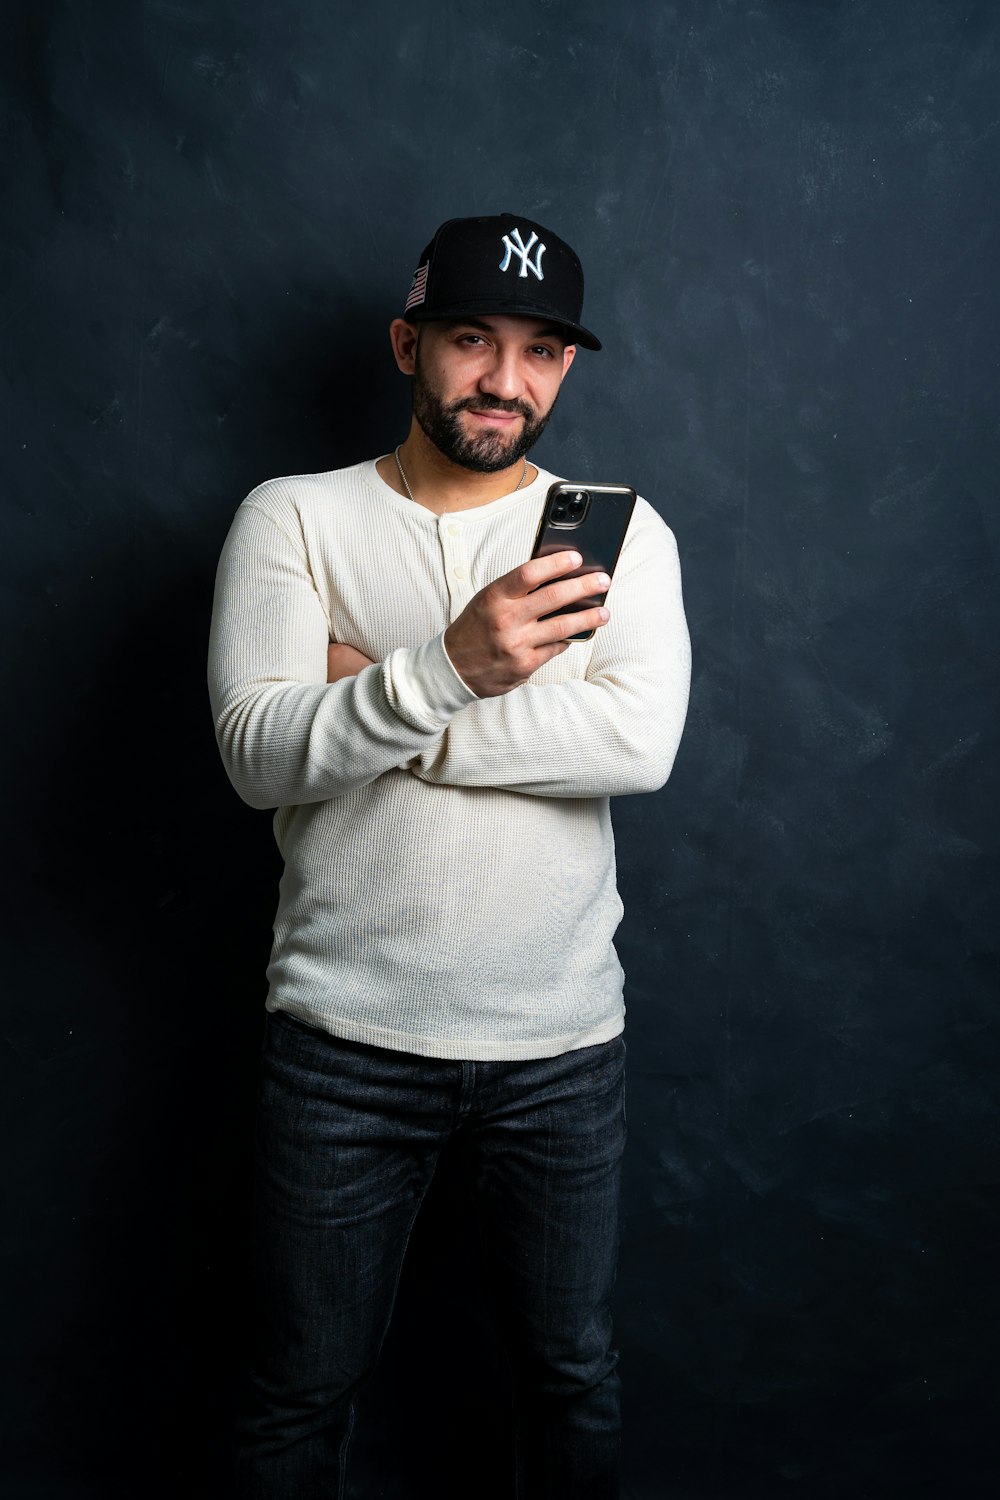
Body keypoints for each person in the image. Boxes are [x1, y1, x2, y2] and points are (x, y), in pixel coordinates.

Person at [208, 212, 691, 1498]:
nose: (504, 379)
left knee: (568, 1376)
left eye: (540, 352)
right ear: (406, 343)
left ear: (566, 372)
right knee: (297, 1391)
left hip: (558, 1049)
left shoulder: (621, 535)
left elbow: (636, 745)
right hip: (341, 1043)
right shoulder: (292, 519)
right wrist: (454, 672)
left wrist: (386, 695)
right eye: (472, 339)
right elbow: (258, 753)